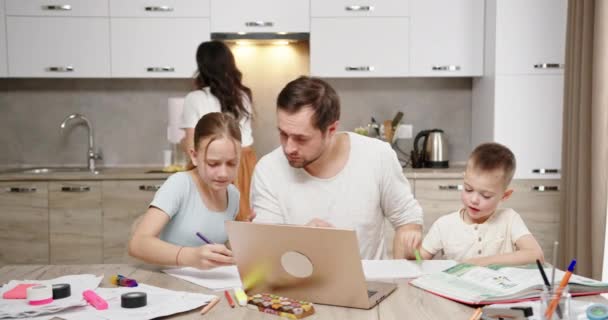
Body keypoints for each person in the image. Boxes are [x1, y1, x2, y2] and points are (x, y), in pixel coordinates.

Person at [251, 76, 423, 260]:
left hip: (368, 285)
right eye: (283, 134)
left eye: (301, 138)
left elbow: (407, 221)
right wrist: (301, 241)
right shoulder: (267, 170)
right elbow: (266, 253)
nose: (289, 148)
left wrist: (407, 249)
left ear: (331, 130)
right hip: (295, 288)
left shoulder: (377, 155)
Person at [130, 112, 240, 270]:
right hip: (171, 284)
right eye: (213, 163)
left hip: (208, 285)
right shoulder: (180, 185)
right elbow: (138, 243)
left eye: (231, 163)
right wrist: (190, 257)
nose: (223, 173)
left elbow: (220, 242)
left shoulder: (233, 195)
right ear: (194, 156)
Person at [419, 142, 544, 266]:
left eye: (486, 196)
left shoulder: (510, 219)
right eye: (468, 189)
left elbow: (536, 255)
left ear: (504, 196)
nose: (474, 200)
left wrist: (483, 262)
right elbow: (419, 260)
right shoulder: (444, 225)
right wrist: (410, 250)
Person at [180, 40, 256, 222]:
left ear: (202, 67)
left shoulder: (195, 98)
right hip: (243, 163)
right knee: (243, 223)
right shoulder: (243, 95)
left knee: (211, 221)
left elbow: (191, 143)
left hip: (212, 163)